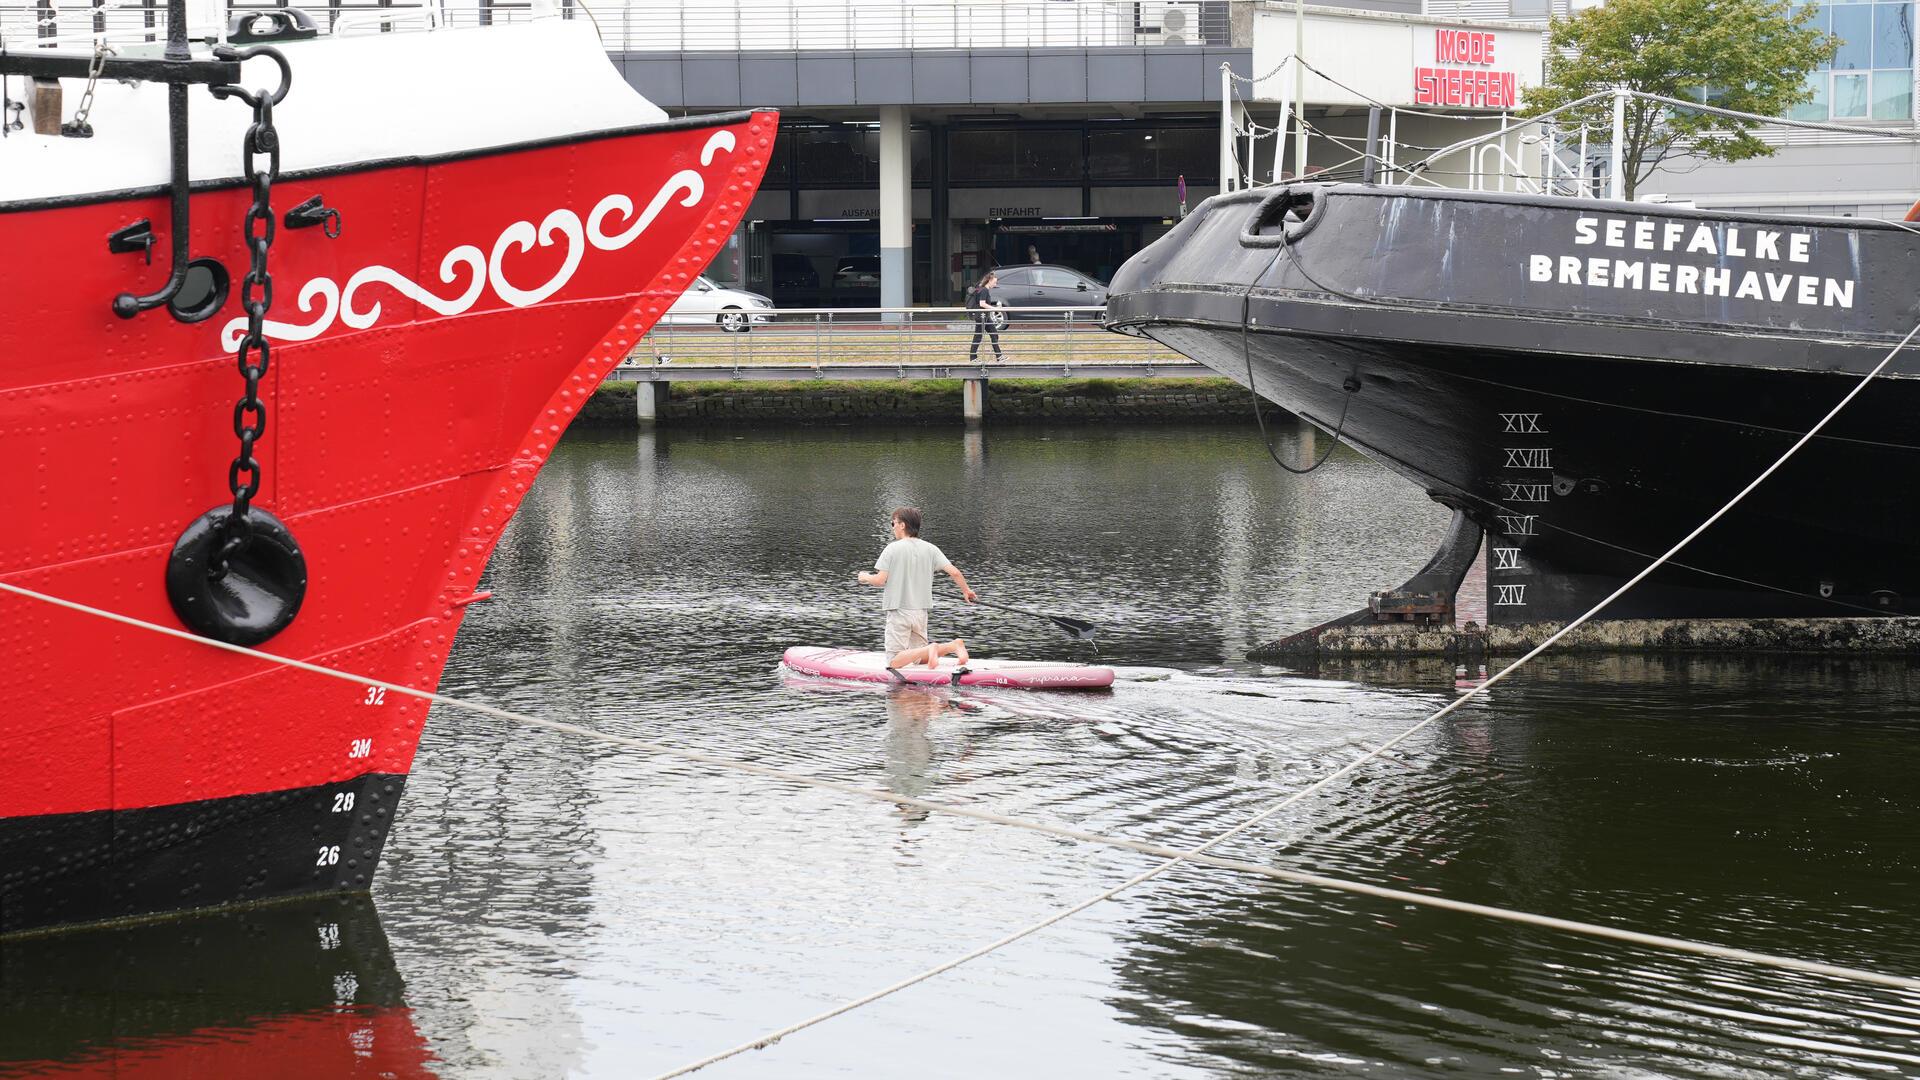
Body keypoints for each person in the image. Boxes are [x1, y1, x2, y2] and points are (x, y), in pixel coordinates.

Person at [857, 506, 977, 678]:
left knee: (893, 661)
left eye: (894, 523)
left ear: (903, 525)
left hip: (899, 610)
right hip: (920, 611)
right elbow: (955, 572)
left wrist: (865, 577)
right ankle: (954, 646)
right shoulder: (931, 549)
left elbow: (880, 580)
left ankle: (931, 648)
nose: (893, 527)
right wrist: (966, 591)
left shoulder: (892, 549)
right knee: (918, 657)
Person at [966, 271, 1005, 363]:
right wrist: (994, 309)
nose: (995, 284)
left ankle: (999, 356)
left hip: (985, 316)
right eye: (995, 282)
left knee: (994, 334)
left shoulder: (982, 289)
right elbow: (982, 303)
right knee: (978, 337)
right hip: (982, 316)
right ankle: (973, 358)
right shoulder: (984, 290)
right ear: (989, 281)